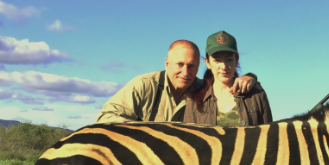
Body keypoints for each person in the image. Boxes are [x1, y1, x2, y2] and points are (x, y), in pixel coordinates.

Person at [96, 40, 257, 123]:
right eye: (180, 64)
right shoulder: (144, 85)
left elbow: (224, 82)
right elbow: (106, 117)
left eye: (192, 66)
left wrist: (251, 77)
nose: (185, 73)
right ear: (167, 63)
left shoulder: (203, 90)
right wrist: (144, 131)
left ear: (200, 66)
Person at [184, 31, 272, 126]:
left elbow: (268, 135)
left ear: (237, 60)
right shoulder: (194, 101)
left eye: (229, 59)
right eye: (217, 60)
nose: (224, 66)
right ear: (207, 62)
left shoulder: (256, 95)